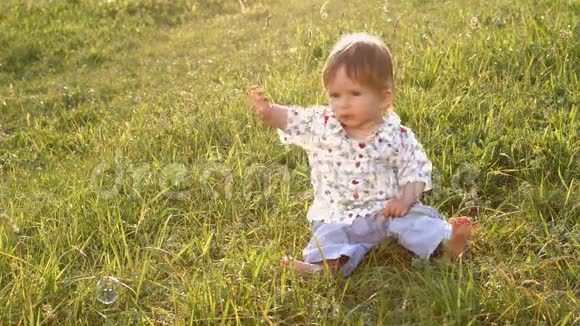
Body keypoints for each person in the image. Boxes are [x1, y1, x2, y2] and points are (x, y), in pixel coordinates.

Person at [247, 33, 473, 277]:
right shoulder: (324, 125)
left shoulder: (396, 135)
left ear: (384, 98)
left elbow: (415, 171)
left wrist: (404, 201)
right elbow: (294, 119)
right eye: (335, 95)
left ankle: (448, 246)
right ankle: (325, 268)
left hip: (387, 211)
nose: (342, 104)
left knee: (415, 221)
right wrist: (270, 112)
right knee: (330, 235)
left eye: (354, 94)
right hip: (340, 213)